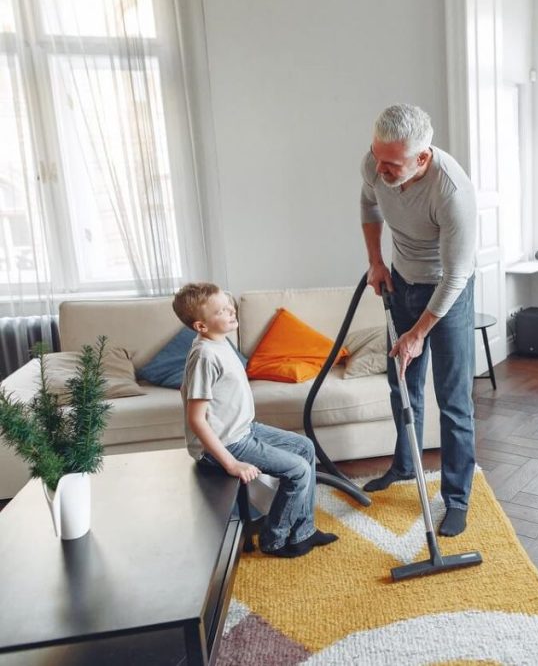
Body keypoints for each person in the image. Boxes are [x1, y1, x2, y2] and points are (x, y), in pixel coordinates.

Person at [359, 104, 477, 537]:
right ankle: (406, 466)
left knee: (453, 398)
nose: (380, 168)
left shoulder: (451, 192)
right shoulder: (376, 163)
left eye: (392, 164)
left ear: (422, 158)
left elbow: (457, 276)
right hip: (402, 280)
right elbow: (369, 203)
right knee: (402, 385)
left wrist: (417, 333)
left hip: (447, 292)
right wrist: (375, 262)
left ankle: (457, 499)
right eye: (377, 158)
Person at [173, 282, 339, 558]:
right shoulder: (204, 356)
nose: (230, 311)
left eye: (229, 305)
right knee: (298, 471)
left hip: (242, 430)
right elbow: (196, 419)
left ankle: (302, 531)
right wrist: (232, 463)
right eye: (220, 311)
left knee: (305, 447)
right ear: (201, 326)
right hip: (226, 444)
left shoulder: (220, 341)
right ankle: (274, 539)